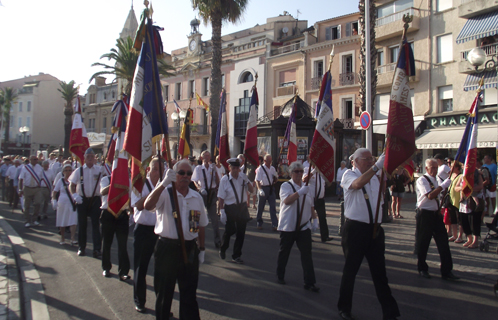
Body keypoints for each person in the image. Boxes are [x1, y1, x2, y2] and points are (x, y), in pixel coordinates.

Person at [337, 148, 400, 320]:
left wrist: (384, 170)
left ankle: (390, 311)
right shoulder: (349, 175)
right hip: (355, 230)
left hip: (375, 230)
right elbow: (357, 184)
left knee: (380, 273)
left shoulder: (375, 178)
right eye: (366, 159)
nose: (370, 162)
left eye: (372, 159)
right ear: (355, 161)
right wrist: (376, 168)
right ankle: (344, 307)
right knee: (351, 271)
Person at [144, 159, 208, 320]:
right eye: (181, 173)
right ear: (174, 174)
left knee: (189, 294)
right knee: (164, 294)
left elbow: (200, 225)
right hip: (167, 249)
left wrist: (201, 249)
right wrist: (163, 184)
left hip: (189, 249)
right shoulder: (166, 193)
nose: (185, 176)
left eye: (188, 173)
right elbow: (147, 205)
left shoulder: (196, 197)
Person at [277, 161, 319, 292]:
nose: (299, 174)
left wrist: (315, 219)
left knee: (307, 255)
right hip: (289, 226)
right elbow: (287, 201)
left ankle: (310, 282)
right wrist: (300, 192)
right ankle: (280, 275)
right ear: (291, 173)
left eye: (301, 171)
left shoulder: (307, 187)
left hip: (303, 226)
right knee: (285, 252)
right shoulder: (286, 185)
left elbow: (311, 205)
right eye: (296, 172)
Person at [415, 158, 459, 281]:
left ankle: (447, 270)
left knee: (443, 243)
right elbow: (430, 195)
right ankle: (422, 268)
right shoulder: (422, 180)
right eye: (432, 168)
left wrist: (445, 187)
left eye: (436, 168)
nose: (434, 170)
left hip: (436, 214)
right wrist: (442, 186)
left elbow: (440, 194)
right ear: (427, 168)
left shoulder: (437, 179)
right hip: (425, 214)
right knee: (423, 242)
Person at [131, 158, 162, 313]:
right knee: (141, 267)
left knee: (161, 270)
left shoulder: (165, 185)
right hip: (143, 230)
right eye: (155, 168)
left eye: (160, 169)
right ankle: (139, 300)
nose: (157, 172)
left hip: (159, 231)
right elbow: (137, 204)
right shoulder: (140, 184)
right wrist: (154, 193)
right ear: (149, 170)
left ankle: (161, 305)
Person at [218, 158, 253, 263]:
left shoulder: (243, 178)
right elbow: (221, 197)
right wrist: (222, 211)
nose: (235, 170)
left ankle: (236, 255)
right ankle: (223, 248)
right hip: (230, 208)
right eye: (233, 168)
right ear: (229, 168)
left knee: (241, 232)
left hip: (242, 207)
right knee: (229, 230)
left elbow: (251, 190)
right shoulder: (225, 180)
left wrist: (247, 181)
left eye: (237, 168)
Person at [69, 148, 103, 258]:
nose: (90, 158)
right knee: (82, 225)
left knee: (95, 225)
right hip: (82, 200)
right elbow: (71, 185)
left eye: (92, 156)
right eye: (88, 156)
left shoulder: (100, 170)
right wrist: (74, 195)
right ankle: (81, 247)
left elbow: (107, 182)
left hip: (95, 200)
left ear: (95, 158)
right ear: (84, 158)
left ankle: (97, 249)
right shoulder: (78, 171)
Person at [99, 171, 131, 280]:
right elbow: (102, 192)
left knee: (122, 245)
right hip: (108, 213)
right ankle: (106, 268)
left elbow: (130, 196)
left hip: (122, 213)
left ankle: (123, 271)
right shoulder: (105, 179)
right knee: (107, 243)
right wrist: (114, 183)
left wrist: (131, 211)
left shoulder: (127, 181)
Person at [191, 150, 221, 248]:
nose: (207, 158)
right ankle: (193, 238)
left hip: (212, 193)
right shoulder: (198, 168)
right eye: (205, 156)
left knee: (214, 219)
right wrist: (200, 188)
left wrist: (215, 171)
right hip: (202, 193)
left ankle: (217, 240)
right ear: (201, 158)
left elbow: (217, 182)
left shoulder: (213, 168)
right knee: (196, 216)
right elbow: (195, 181)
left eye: (208, 156)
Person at [454, 167, 484, 249]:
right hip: (464, 202)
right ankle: (469, 239)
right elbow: (456, 188)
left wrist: (470, 189)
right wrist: (463, 188)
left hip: (474, 202)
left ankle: (475, 241)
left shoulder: (477, 174)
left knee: (474, 222)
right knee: (464, 221)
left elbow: (480, 186)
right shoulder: (461, 176)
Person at [304, 166, 332, 242]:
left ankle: (325, 236)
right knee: (308, 218)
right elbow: (304, 180)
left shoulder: (322, 172)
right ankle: (307, 236)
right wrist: (313, 171)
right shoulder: (307, 169)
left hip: (320, 199)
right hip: (312, 199)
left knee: (322, 218)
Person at [53, 164, 77, 245]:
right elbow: (55, 191)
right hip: (62, 203)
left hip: (72, 203)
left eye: (70, 170)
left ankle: (73, 238)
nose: (68, 172)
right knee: (62, 220)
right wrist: (54, 200)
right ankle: (62, 237)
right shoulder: (61, 181)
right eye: (66, 170)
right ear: (63, 172)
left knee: (73, 220)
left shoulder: (75, 181)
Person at [18, 155, 44, 228]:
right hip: (27, 188)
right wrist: (20, 189)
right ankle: (27, 221)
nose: (36, 160)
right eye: (34, 159)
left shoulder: (40, 168)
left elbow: (42, 178)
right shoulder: (25, 168)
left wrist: (39, 185)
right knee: (27, 205)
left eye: (36, 159)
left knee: (38, 203)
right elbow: (21, 179)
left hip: (36, 188)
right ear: (30, 160)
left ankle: (34, 219)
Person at [255, 154, 278, 230]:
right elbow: (257, 181)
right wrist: (260, 190)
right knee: (260, 207)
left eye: (271, 161)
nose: (270, 163)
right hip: (263, 188)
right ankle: (259, 222)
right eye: (268, 161)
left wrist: (276, 177)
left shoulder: (272, 168)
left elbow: (275, 180)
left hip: (271, 189)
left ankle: (274, 224)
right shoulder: (260, 169)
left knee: (273, 207)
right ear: (264, 161)